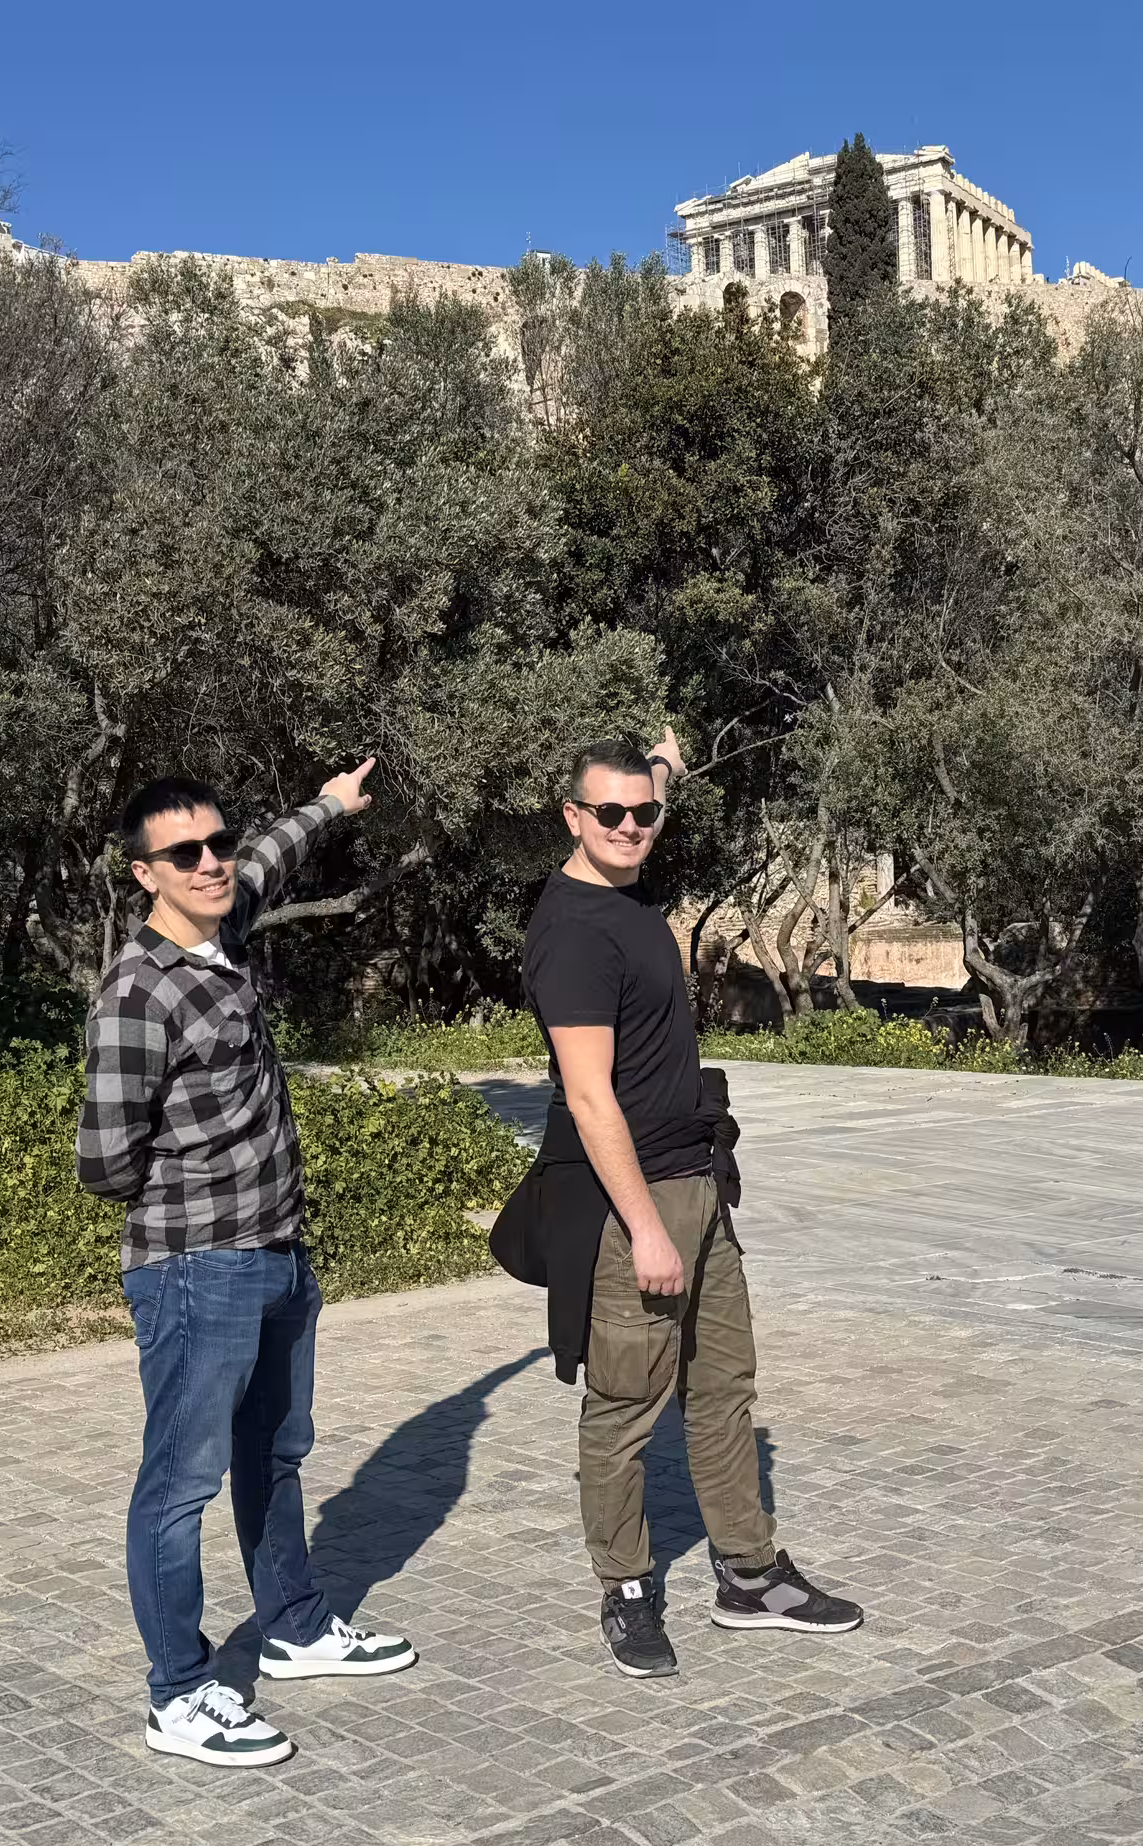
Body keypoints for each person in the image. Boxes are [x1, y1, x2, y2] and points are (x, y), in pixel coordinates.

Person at [499, 733, 864, 1678]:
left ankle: (749, 1575)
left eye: (644, 812)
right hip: (637, 1206)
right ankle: (625, 1589)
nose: (631, 826)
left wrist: (666, 762)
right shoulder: (574, 934)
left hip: (699, 1185)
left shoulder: (626, 878)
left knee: (724, 1388)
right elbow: (589, 1098)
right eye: (609, 812)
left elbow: (652, 780)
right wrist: (647, 1230)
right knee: (626, 1405)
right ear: (571, 816)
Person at [77, 764, 415, 1767]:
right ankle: (178, 1693)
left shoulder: (226, 925)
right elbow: (103, 1163)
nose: (211, 862)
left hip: (277, 1254)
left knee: (275, 1452)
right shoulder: (136, 992)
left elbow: (269, 853)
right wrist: (195, 1185)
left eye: (216, 843)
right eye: (184, 853)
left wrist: (332, 803)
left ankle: (295, 1627)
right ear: (145, 874)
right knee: (180, 1482)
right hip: (196, 1268)